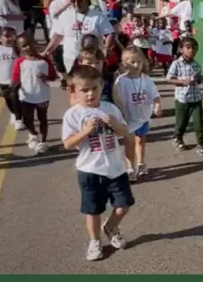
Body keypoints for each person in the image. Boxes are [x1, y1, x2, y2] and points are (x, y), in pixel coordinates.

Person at [60, 65, 134, 261]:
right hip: (90, 170)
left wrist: (115, 124)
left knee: (124, 205)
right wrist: (85, 131)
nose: (90, 93)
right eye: (84, 90)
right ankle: (95, 241)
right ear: (74, 91)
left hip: (116, 168)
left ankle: (111, 226)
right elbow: (67, 143)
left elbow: (126, 133)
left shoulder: (110, 109)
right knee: (93, 210)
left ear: (102, 86)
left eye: (94, 88)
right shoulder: (73, 115)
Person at [112, 48, 162, 183]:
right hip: (127, 117)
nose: (136, 65)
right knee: (129, 142)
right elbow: (117, 98)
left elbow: (155, 95)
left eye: (139, 62)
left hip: (142, 117)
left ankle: (141, 163)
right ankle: (130, 167)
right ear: (124, 63)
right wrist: (122, 113)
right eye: (132, 62)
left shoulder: (146, 79)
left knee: (140, 140)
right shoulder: (121, 81)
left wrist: (157, 105)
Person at [42, 0, 115, 75]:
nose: (76, 4)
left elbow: (109, 33)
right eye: (73, 1)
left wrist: (106, 48)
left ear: (87, 1)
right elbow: (58, 36)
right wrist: (47, 51)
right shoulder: (65, 15)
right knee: (75, 83)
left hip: (92, 58)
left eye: (80, 1)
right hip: (70, 57)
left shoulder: (98, 16)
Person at [12, 34, 58, 154]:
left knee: (43, 119)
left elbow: (53, 78)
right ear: (20, 49)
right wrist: (13, 87)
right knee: (28, 120)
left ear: (35, 43)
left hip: (42, 96)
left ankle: (43, 142)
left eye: (29, 43)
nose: (27, 47)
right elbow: (16, 78)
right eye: (24, 46)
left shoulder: (45, 61)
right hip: (26, 97)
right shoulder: (20, 62)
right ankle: (33, 133)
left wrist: (46, 78)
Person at [165, 37, 203, 155]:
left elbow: (200, 79)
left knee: (199, 123)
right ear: (181, 49)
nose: (191, 51)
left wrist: (199, 79)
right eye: (188, 48)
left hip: (196, 98)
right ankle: (177, 138)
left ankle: (201, 144)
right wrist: (182, 82)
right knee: (181, 122)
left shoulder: (196, 65)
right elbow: (169, 79)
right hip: (182, 99)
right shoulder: (177, 64)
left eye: (194, 48)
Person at [0, 27, 24, 131]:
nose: (10, 38)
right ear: (0, 38)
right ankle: (13, 113)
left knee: (15, 97)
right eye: (7, 36)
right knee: (8, 99)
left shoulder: (17, 48)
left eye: (13, 36)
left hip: (16, 79)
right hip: (2, 79)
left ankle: (18, 119)